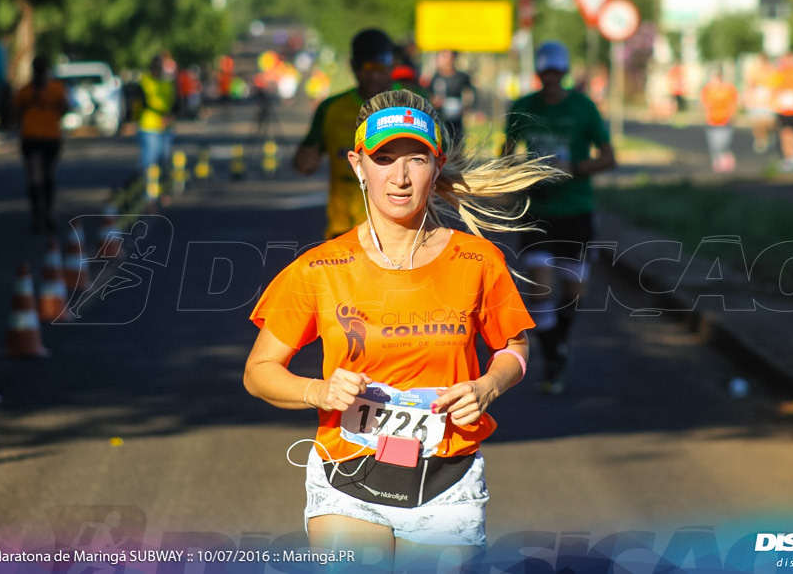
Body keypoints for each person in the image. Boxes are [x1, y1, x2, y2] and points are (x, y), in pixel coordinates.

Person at [245, 89, 561, 568]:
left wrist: (488, 384)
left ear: (436, 166)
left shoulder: (477, 261)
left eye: (416, 159)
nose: (399, 176)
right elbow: (259, 370)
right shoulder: (321, 268)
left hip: (447, 482)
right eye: (384, 158)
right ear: (358, 165)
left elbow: (513, 348)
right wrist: (319, 392)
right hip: (344, 478)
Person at [503, 41, 616, 394]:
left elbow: (609, 157)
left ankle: (560, 340)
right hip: (536, 211)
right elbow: (506, 156)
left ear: (564, 74)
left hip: (576, 209)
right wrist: (521, 175)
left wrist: (574, 168)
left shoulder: (583, 108)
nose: (550, 80)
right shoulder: (522, 107)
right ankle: (552, 356)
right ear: (538, 74)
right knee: (540, 286)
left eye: (556, 73)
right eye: (545, 73)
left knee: (574, 292)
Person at [294, 28, 395, 239]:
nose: (374, 75)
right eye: (367, 67)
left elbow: (441, 161)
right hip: (343, 231)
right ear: (353, 66)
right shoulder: (331, 109)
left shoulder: (412, 105)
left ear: (392, 65)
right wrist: (305, 159)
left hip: (399, 230)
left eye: (380, 67)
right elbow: (305, 162)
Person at [14, 55, 70, 234]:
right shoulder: (56, 89)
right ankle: (47, 214)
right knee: (47, 175)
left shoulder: (25, 91)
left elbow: (15, 111)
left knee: (35, 178)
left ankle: (38, 215)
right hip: (49, 137)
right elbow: (65, 108)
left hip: (31, 136)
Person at [138, 55, 176, 207]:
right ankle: (149, 197)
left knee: (164, 159)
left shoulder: (168, 84)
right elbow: (144, 102)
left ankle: (163, 192)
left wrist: (170, 116)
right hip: (149, 126)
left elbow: (174, 102)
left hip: (166, 127)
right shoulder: (145, 82)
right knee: (150, 162)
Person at [424, 50, 475, 143]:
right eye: (443, 57)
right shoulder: (435, 77)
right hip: (441, 117)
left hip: (457, 117)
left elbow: (470, 93)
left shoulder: (461, 77)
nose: (447, 60)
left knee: (457, 141)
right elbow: (429, 95)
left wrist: (467, 106)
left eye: (449, 57)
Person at [699, 69, 739, 173]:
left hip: (725, 120)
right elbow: (705, 104)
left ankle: (725, 160)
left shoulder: (728, 89)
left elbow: (733, 103)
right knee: (714, 144)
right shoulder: (708, 89)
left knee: (723, 143)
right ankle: (716, 162)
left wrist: (732, 115)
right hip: (712, 120)